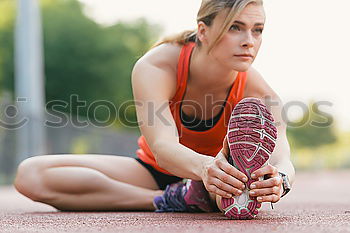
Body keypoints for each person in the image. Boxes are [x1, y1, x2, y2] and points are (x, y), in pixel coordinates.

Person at [13, 0, 295, 219]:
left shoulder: (261, 94)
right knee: (31, 175)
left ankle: (200, 197)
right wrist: (202, 169)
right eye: (236, 27)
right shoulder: (157, 67)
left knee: (229, 184)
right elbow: (162, 146)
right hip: (157, 172)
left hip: (221, 184)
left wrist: (279, 181)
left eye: (257, 30)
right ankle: (172, 199)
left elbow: (283, 157)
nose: (250, 40)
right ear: (203, 31)